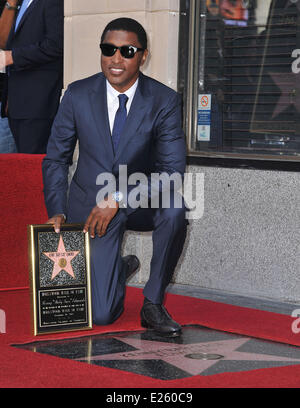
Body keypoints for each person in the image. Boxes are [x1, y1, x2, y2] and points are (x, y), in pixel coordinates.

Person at [42, 18, 188, 337]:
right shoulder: (77, 94)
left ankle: (152, 302)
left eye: (127, 51)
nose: (116, 59)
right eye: (109, 49)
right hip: (91, 207)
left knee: (176, 209)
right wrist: (57, 210)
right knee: (103, 314)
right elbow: (56, 157)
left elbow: (173, 172)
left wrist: (119, 198)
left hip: (137, 201)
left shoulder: (163, 100)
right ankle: (119, 269)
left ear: (143, 56)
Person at [1, 0, 63, 154]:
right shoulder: (22, 2)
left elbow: (56, 45)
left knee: (32, 168)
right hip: (16, 103)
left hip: (38, 102)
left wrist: (12, 57)